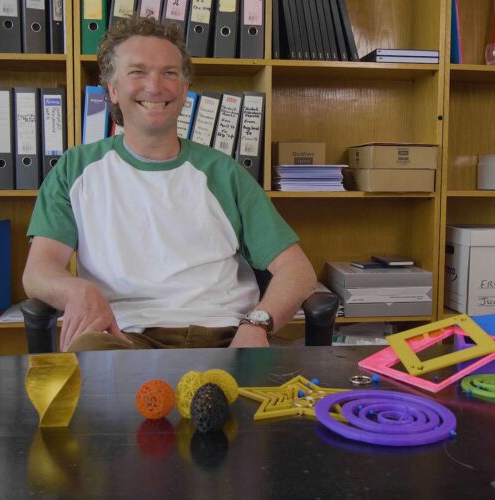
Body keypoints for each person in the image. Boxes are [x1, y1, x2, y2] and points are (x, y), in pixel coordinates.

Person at [23, 17, 316, 352]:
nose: (155, 86)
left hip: (229, 336)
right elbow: (38, 270)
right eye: (137, 72)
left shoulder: (223, 173)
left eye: (169, 73)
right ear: (113, 90)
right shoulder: (75, 169)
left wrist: (258, 324)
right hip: (126, 338)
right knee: (90, 364)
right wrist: (77, 290)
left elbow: (297, 269)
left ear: (185, 90)